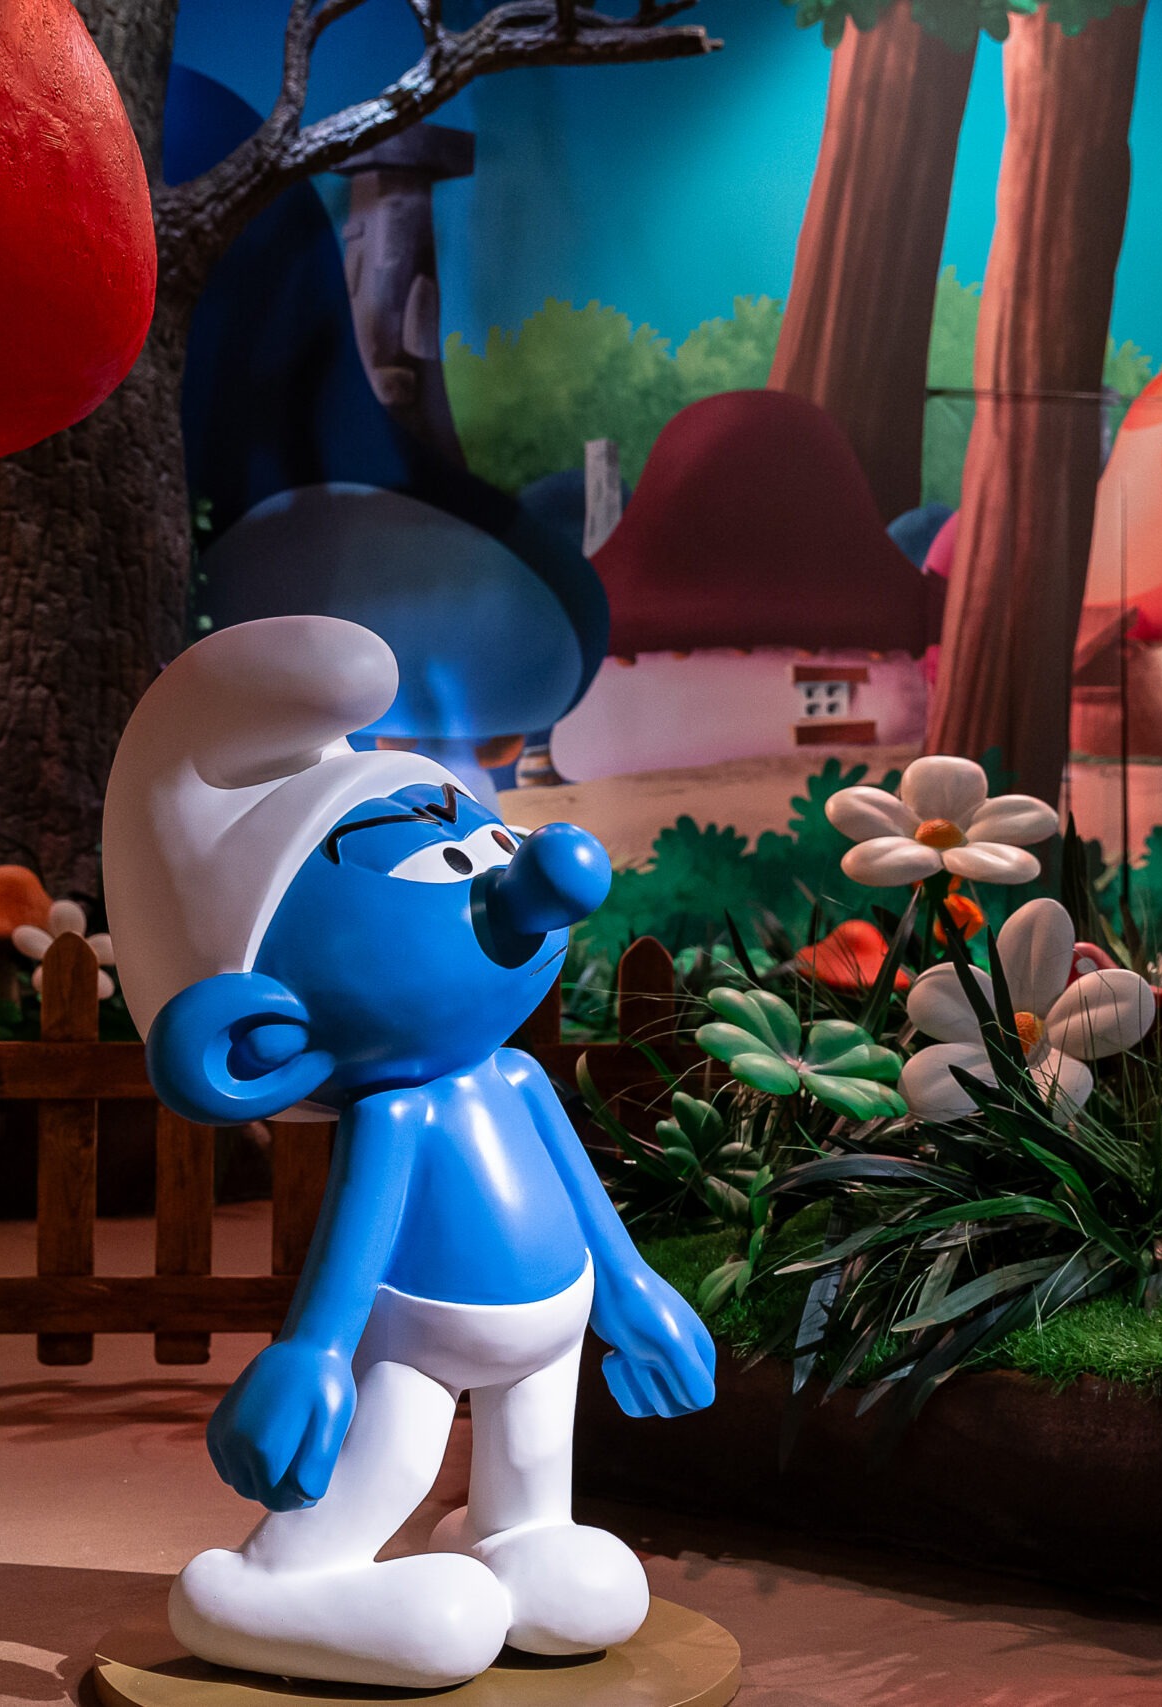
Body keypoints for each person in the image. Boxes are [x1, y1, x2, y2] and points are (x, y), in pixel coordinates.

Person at [102, 615, 716, 1689]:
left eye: (483, 838)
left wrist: (634, 1292)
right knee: (387, 1467)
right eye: (446, 863)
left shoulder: (517, 1079)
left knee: (555, 1539)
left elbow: (587, 1211)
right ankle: (263, 1588)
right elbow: (351, 1262)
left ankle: (513, 1538)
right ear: (266, 1038)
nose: (532, 873)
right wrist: (311, 1356)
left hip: (549, 1334)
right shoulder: (393, 1116)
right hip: (417, 1350)